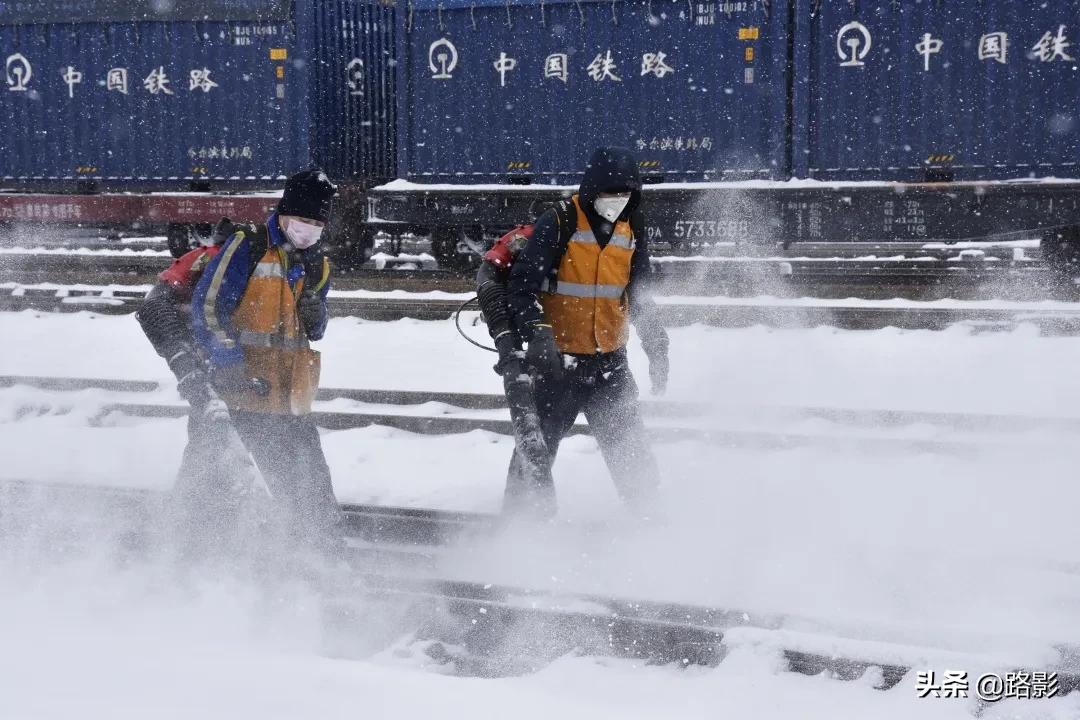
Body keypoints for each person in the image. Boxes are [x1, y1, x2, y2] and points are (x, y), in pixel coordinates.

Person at [505, 147, 670, 518]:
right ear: (592, 189)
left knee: (634, 462)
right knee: (534, 459)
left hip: (609, 366)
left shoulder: (633, 227)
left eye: (626, 194)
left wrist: (657, 344)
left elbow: (639, 292)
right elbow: (521, 286)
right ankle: (519, 533)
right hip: (556, 367)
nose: (617, 202)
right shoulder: (561, 221)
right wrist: (538, 332)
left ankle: (652, 534)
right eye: (610, 193)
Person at [191, 169, 342, 555]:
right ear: (284, 213)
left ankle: (319, 565)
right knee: (238, 493)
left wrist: (314, 313)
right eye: (302, 220)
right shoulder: (248, 245)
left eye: (316, 223)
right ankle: (238, 568)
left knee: (313, 492)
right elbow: (208, 308)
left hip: (291, 400)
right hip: (243, 395)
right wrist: (229, 361)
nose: (308, 229)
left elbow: (317, 329)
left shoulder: (316, 264)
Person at [136, 218, 262, 553]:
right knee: (209, 458)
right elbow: (154, 308)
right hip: (213, 379)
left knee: (215, 463)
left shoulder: (272, 263)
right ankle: (190, 545)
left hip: (254, 382)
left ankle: (192, 542)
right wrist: (188, 369)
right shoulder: (206, 258)